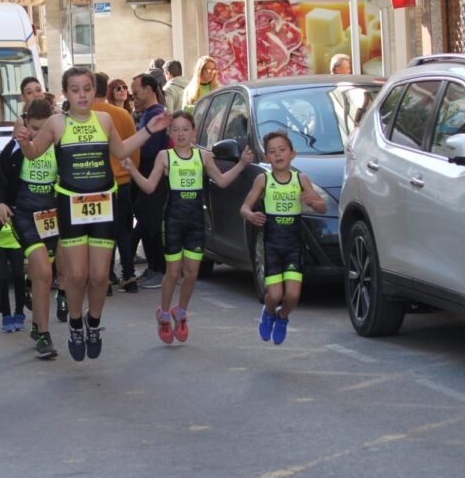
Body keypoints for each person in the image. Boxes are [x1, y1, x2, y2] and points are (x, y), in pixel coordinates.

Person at [14, 67, 169, 362]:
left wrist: (150, 129)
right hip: (70, 204)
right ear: (66, 94)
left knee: (99, 277)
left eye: (87, 88)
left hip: (103, 203)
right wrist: (24, 142)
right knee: (77, 275)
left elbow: (122, 150)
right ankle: (74, 322)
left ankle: (93, 322)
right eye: (75, 89)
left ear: (93, 91)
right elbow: (33, 152)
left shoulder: (105, 119)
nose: (82, 94)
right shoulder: (56, 123)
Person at [125, 111, 253, 343]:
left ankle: (180, 311)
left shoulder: (203, 156)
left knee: (192, 272)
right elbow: (149, 187)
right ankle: (164, 313)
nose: (181, 133)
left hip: (195, 221)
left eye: (186, 129)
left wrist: (242, 164)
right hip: (173, 220)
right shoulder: (165, 156)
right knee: (173, 272)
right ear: (169, 132)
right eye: (176, 129)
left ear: (194, 132)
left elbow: (222, 181)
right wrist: (132, 170)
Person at [241, 131, 326, 345]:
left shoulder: (301, 179)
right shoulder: (263, 179)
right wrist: (252, 215)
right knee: (274, 295)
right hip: (272, 245)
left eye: (282, 150)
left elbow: (323, 207)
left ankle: (282, 317)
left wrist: (312, 201)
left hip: (293, 246)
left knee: (293, 296)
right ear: (267, 157)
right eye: (272, 151)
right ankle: (269, 313)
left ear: (292, 154)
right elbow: (244, 208)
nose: (278, 155)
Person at [0, 99, 60, 359]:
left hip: (55, 215)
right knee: (42, 272)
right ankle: (44, 335)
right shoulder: (15, 148)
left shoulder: (59, 145)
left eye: (43, 129)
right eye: (32, 128)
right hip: (24, 215)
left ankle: (43, 317)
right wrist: (0, 204)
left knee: (62, 269)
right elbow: (0, 184)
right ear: (25, 123)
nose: (36, 135)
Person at [92, 72, 139, 294]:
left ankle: (107, 277)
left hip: (98, 183)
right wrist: (131, 172)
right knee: (124, 231)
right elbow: (134, 148)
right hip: (123, 181)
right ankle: (129, 275)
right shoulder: (122, 114)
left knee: (103, 232)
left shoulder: (88, 116)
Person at [130, 73, 169, 290]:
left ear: (149, 89)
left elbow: (149, 150)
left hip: (153, 176)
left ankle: (158, 269)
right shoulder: (148, 114)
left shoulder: (156, 115)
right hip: (145, 174)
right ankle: (154, 267)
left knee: (152, 223)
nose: (133, 95)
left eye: (136, 90)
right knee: (146, 222)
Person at [0, 153, 26, 333]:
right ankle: (6, 314)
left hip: (16, 242)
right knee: (2, 278)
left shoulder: (16, 192)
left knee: (18, 277)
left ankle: (19, 311)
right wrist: (7, 227)